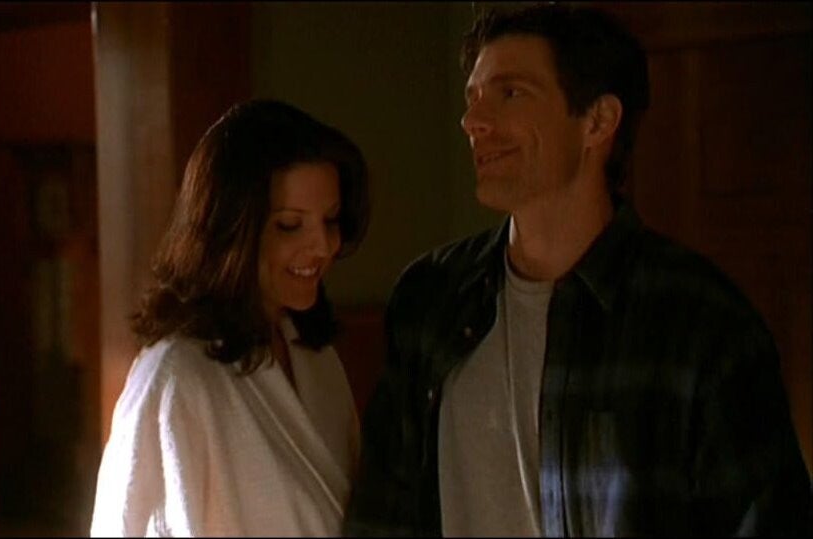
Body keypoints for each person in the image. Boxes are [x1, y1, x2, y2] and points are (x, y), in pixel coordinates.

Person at [344, 4, 812, 537]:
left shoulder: (700, 321)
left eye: (510, 93)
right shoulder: (431, 298)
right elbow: (383, 511)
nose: (473, 121)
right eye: (473, 97)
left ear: (598, 122)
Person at [90, 99, 370, 536]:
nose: (322, 246)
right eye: (290, 225)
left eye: (331, 220)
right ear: (230, 230)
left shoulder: (315, 356)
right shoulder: (175, 376)